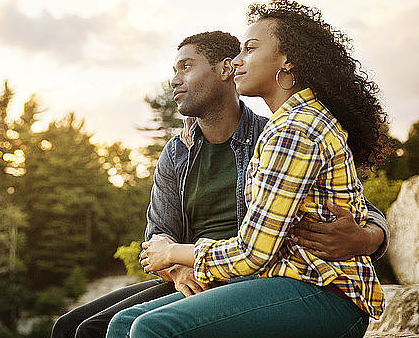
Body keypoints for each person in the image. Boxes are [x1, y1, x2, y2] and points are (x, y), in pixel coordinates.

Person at [52, 29, 389, 338]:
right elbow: (158, 234)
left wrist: (366, 237)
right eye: (175, 70)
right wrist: (178, 270)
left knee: (135, 328)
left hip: (251, 271)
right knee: (74, 327)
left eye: (186, 67)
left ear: (225, 70)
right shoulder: (176, 153)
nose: (174, 80)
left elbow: (357, 209)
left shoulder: (277, 134)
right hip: (199, 271)